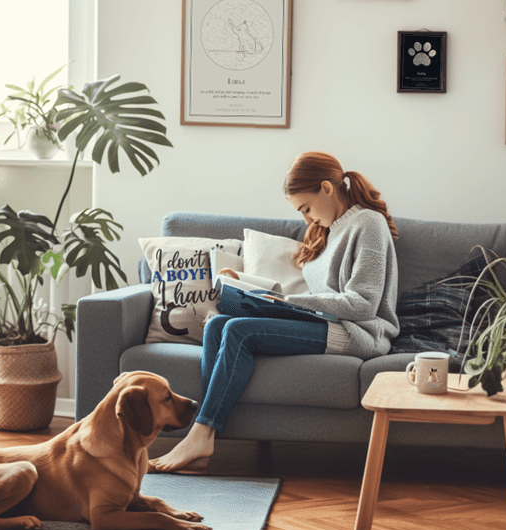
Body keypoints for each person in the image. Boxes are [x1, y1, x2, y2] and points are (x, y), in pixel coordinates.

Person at [149, 152, 400, 473]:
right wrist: (259, 293)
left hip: (359, 332)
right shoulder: (328, 230)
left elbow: (363, 304)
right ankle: (204, 441)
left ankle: (199, 435)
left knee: (240, 331)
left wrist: (290, 303)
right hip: (326, 323)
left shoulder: (368, 223)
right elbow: (320, 298)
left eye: (306, 208)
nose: (306, 219)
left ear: (326, 188)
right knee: (218, 326)